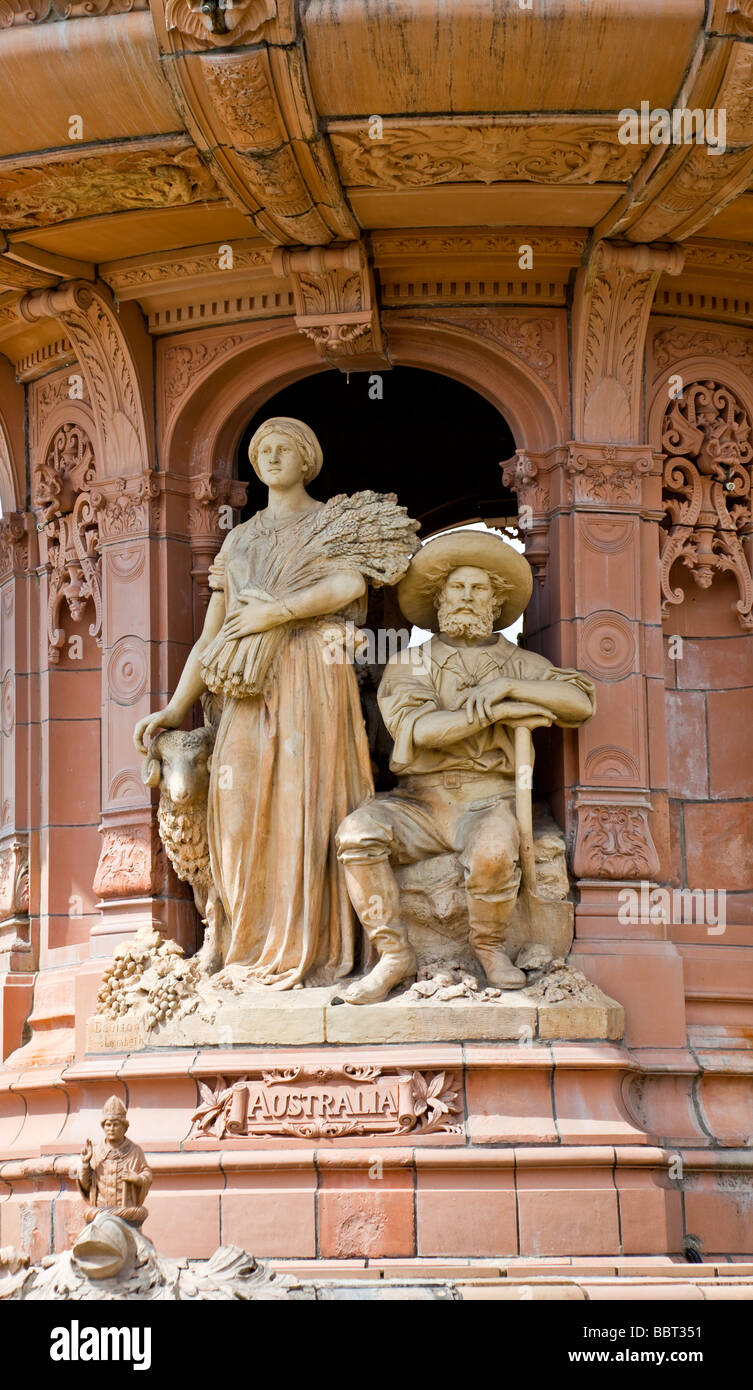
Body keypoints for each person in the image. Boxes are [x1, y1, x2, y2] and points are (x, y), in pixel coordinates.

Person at [134, 417, 417, 988]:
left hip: (310, 673)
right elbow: (212, 634)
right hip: (244, 684)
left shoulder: (328, 522)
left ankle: (312, 953)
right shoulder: (239, 538)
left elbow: (349, 589)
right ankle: (245, 947)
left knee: (305, 801)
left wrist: (276, 612)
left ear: (308, 459)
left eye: (284, 448)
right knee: (235, 816)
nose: (271, 457)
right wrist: (175, 706)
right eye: (262, 450)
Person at [335, 529, 596, 1004]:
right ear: (438, 599)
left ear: (496, 602)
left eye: (479, 589)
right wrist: (495, 713)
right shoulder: (410, 664)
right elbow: (422, 728)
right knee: (357, 833)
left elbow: (578, 701)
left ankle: (490, 947)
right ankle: (393, 953)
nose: (468, 597)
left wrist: (507, 689)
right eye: (457, 587)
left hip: (487, 799)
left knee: (495, 853)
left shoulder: (520, 664)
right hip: (420, 802)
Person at [78, 1096, 152, 1226]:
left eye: (116, 1124)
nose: (111, 1128)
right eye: (108, 1124)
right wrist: (85, 1164)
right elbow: (86, 1185)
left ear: (124, 1127)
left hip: (126, 1214)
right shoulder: (95, 1152)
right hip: (99, 1214)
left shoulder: (135, 1152)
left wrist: (138, 1179)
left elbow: (146, 1174)